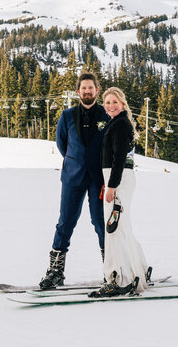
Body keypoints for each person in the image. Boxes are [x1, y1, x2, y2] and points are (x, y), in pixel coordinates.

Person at [39, 72, 110, 290]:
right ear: (78, 91)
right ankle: (55, 272)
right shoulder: (67, 115)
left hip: (99, 180)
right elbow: (62, 144)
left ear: (97, 90)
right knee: (65, 223)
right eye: (83, 88)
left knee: (101, 224)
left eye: (91, 88)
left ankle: (111, 270)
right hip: (72, 177)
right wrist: (75, 161)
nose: (87, 91)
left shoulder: (106, 115)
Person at [90, 87, 150, 297]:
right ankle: (137, 271)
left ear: (122, 104)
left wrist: (112, 186)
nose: (110, 106)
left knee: (113, 229)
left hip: (119, 179)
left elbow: (119, 158)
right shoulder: (118, 123)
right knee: (122, 227)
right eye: (107, 103)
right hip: (118, 179)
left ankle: (119, 278)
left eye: (114, 102)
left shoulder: (120, 125)